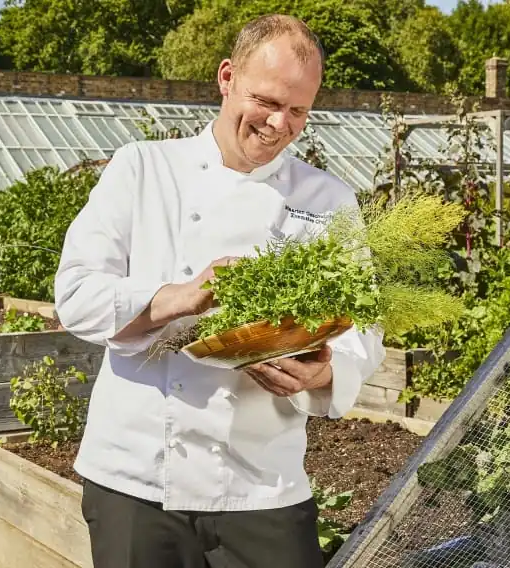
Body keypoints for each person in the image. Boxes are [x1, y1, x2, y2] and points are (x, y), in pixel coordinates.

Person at [54, 13, 386, 568]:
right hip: (136, 477)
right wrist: (177, 297)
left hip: (263, 483)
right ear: (227, 77)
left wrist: (322, 373)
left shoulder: (328, 199)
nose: (280, 124)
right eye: (267, 101)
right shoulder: (143, 170)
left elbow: (364, 329)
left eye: (299, 110)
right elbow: (78, 296)